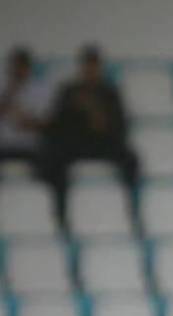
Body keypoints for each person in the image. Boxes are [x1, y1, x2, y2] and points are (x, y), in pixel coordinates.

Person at [40, 44, 140, 220]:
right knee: (54, 159)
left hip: (103, 143)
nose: (91, 70)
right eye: (87, 66)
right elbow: (57, 122)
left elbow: (120, 125)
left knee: (131, 159)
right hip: (76, 143)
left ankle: (132, 208)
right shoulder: (69, 91)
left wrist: (97, 116)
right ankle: (61, 212)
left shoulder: (110, 93)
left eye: (94, 66)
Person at [0, 47, 51, 167]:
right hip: (4, 145)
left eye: (21, 67)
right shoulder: (4, 87)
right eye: (15, 67)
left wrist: (26, 121)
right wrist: (10, 92)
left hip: (29, 147)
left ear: (28, 68)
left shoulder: (40, 90)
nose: (18, 71)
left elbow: (44, 123)